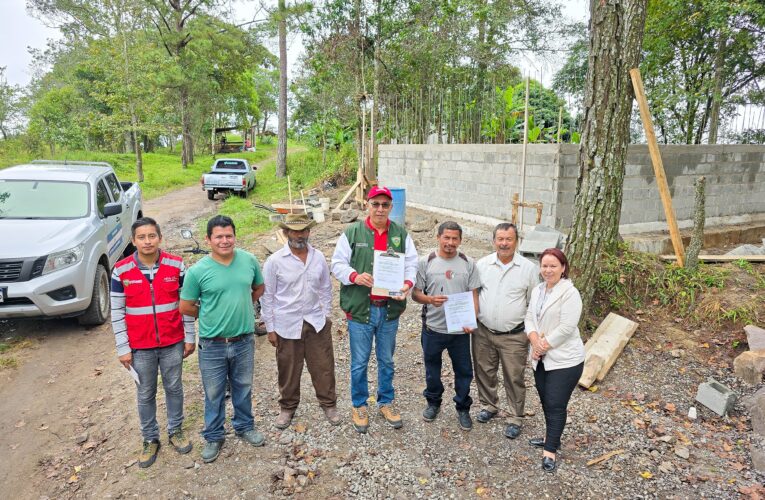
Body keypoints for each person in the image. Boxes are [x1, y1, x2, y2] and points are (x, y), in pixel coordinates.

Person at [330, 186, 418, 433]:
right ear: (367, 205)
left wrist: (407, 284)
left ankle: (385, 401)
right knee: (359, 361)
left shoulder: (400, 234)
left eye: (385, 205)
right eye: (375, 204)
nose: (380, 209)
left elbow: (411, 264)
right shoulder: (353, 232)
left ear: (391, 207)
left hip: (389, 310)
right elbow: (336, 264)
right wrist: (354, 276)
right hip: (360, 309)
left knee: (386, 360)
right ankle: (359, 404)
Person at [111, 217, 196, 468]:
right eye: (141, 237)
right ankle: (150, 439)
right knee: (145, 393)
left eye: (151, 236)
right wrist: (123, 347)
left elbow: (187, 305)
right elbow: (116, 312)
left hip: (172, 342)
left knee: (174, 387)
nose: (147, 241)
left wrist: (189, 337)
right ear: (133, 240)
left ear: (160, 237)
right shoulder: (121, 270)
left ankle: (176, 430)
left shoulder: (176, 265)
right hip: (140, 347)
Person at [179, 215, 265, 463]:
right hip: (212, 344)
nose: (225, 241)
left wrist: (243, 305)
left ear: (234, 236)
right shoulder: (198, 272)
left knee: (244, 386)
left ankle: (245, 425)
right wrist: (208, 313)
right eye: (219, 236)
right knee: (214, 392)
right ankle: (214, 436)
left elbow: (259, 288)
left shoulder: (248, 260)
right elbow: (185, 306)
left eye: (229, 235)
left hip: (244, 340)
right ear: (208, 239)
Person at [261, 213, 340, 429]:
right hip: (286, 324)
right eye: (294, 230)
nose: (299, 235)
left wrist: (326, 315)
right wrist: (270, 327)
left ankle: (328, 403)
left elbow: (325, 287)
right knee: (288, 369)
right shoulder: (275, 261)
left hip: (316, 322)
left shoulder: (319, 257)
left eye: (303, 230)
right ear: (286, 233)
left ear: (309, 232)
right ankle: (287, 407)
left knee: (323, 366)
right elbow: (267, 297)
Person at [412, 221, 481, 431]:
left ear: (460, 240)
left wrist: (472, 320)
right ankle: (433, 402)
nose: (450, 243)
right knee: (432, 369)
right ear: (438, 238)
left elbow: (474, 295)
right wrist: (429, 300)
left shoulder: (468, 263)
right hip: (433, 328)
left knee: (464, 371)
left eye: (455, 239)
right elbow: (415, 294)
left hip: (460, 331)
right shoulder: (426, 262)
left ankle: (462, 407)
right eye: (446, 238)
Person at [473, 222, 539, 439]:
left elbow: (532, 303)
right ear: (493, 241)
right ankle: (489, 405)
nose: (504, 243)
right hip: (483, 331)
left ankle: (515, 416)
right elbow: (474, 294)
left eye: (508, 239)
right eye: (500, 239)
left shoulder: (529, 269)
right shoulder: (482, 265)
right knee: (484, 370)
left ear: (516, 241)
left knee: (514, 376)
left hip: (514, 335)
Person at [525, 248, 585, 473]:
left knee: (556, 403)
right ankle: (552, 436)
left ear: (563, 268)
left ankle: (550, 450)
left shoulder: (570, 293)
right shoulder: (538, 290)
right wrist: (533, 339)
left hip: (565, 360)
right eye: (544, 266)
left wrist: (542, 345)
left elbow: (567, 328)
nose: (548, 270)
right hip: (540, 357)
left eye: (553, 266)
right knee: (545, 399)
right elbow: (530, 317)